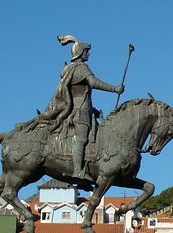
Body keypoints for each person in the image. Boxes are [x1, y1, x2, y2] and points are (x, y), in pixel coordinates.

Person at [36, 35, 124, 181]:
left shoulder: (69, 69)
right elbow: (93, 82)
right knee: (81, 138)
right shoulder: (81, 68)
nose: (88, 54)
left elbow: (81, 93)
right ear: (80, 52)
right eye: (86, 51)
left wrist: (93, 109)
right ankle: (77, 170)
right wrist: (114, 89)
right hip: (80, 112)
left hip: (82, 108)